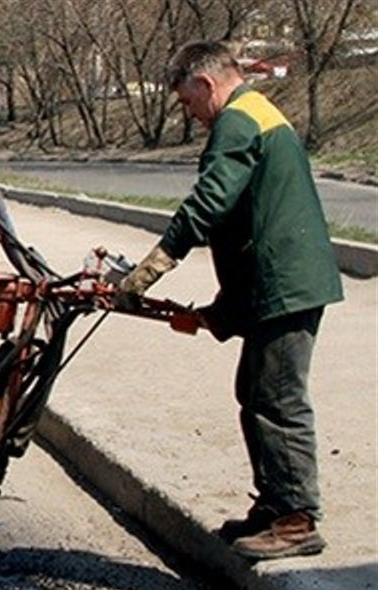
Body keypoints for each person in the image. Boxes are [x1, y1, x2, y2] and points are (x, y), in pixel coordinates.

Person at [117, 41, 343, 560]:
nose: (188, 112)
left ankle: (296, 519)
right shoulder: (257, 113)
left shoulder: (237, 121)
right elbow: (251, 219)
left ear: (206, 83)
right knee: (256, 391)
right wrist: (213, 315)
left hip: (286, 284)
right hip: (282, 281)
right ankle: (274, 505)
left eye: (186, 101)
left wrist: (150, 269)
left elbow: (209, 203)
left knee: (277, 399)